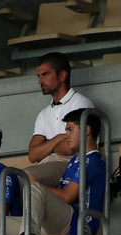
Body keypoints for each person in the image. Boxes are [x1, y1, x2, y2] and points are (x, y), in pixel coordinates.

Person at [27, 52, 94, 186]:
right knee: (14, 179)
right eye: (39, 76)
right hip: (48, 164)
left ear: (62, 76)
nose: (40, 81)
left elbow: (69, 148)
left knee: (24, 177)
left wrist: (45, 148)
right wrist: (57, 139)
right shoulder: (44, 113)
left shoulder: (80, 103)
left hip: (72, 164)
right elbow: (33, 155)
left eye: (45, 74)